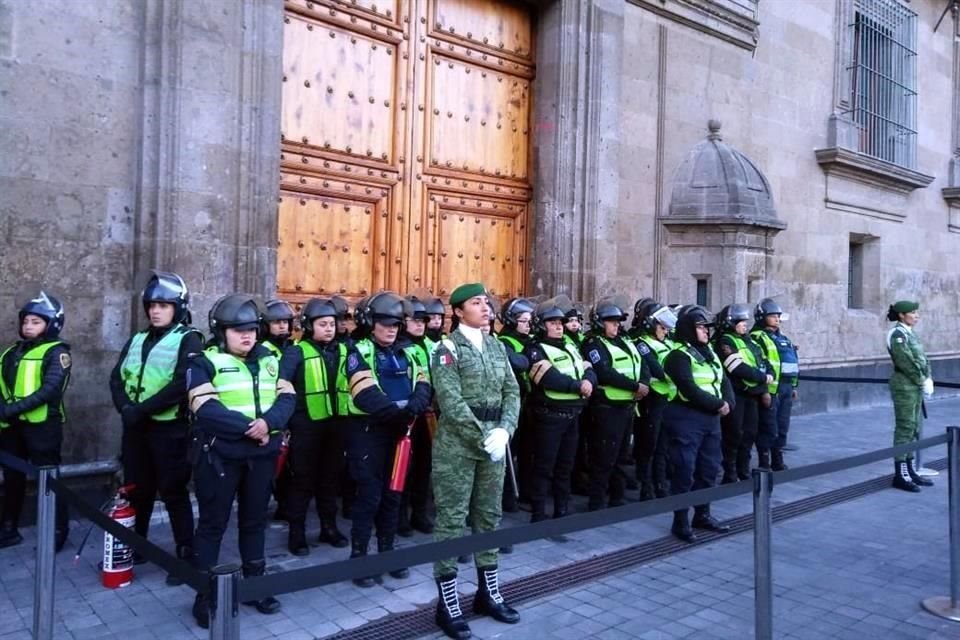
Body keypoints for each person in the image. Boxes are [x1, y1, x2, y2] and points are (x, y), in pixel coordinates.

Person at [187, 295, 295, 627]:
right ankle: (204, 596)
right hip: (221, 458)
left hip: (260, 458)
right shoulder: (202, 361)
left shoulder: (270, 359)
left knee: (254, 522)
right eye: (238, 330)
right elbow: (204, 407)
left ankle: (255, 586)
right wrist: (252, 429)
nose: (247, 336)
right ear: (222, 332)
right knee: (212, 526)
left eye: (251, 330)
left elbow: (288, 397)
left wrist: (269, 424)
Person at [431, 283, 521, 639]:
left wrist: (506, 431)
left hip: (495, 444)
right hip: (458, 446)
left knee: (488, 517)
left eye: (487, 302)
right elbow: (451, 403)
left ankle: (489, 593)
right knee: (452, 521)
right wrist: (485, 438)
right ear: (457, 311)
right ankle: (448, 603)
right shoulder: (446, 349)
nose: (486, 308)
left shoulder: (497, 346)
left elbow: (512, 391)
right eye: (476, 303)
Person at [109, 271, 202, 582]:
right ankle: (138, 544)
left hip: (169, 429)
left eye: (163, 305)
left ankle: (186, 553)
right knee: (138, 490)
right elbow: (116, 377)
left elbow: (180, 384)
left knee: (173, 492)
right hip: (136, 429)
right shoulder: (137, 338)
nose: (155, 310)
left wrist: (143, 410)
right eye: (151, 305)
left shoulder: (188, 338)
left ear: (178, 307)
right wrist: (125, 408)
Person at [343, 293, 433, 586]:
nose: (391, 329)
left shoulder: (409, 351)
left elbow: (423, 382)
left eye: (395, 323)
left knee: (393, 495)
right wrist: (401, 415)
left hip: (400, 432)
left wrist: (415, 407)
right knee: (369, 496)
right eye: (384, 323)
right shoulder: (358, 351)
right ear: (370, 323)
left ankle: (387, 551)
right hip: (369, 432)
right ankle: (359, 559)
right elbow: (364, 392)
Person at [0, 292, 71, 551]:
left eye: (36, 322)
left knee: (49, 480)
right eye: (26, 321)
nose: (28, 326)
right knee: (12, 478)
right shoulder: (10, 352)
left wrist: (12, 409)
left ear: (51, 324)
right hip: (11, 428)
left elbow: (50, 389)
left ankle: (57, 530)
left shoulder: (57, 352)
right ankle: (8, 527)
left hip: (42, 427)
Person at [278, 298, 349, 555]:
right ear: (309, 325)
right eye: (323, 324)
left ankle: (328, 527)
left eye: (332, 324)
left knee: (330, 481)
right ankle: (296, 533)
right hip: (305, 428)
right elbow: (283, 386)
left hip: (335, 428)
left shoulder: (343, 351)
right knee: (302, 482)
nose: (329, 329)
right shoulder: (296, 352)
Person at [663, 305, 734, 542]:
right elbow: (688, 388)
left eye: (706, 327)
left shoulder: (710, 353)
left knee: (709, 469)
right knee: (684, 470)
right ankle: (680, 521)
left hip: (710, 420)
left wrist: (728, 403)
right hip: (685, 418)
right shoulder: (677, 355)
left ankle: (702, 514)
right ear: (688, 329)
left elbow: (724, 380)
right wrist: (718, 404)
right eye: (701, 327)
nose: (705, 331)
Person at [524, 297, 596, 529]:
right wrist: (578, 386)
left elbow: (588, 367)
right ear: (541, 325)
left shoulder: (570, 345)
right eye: (552, 322)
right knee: (544, 466)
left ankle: (561, 510)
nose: (558, 326)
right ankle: (538, 513)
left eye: (560, 322)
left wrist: (588, 381)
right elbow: (547, 377)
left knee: (565, 466)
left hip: (572, 415)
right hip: (549, 417)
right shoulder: (535, 349)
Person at [581, 299, 649, 510]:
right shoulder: (593, 343)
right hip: (607, 409)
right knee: (604, 458)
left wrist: (643, 384)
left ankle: (617, 498)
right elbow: (604, 371)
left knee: (622, 456)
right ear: (600, 323)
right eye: (611, 322)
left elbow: (642, 364)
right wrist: (635, 386)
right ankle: (597, 502)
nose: (616, 325)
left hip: (627, 407)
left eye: (618, 321)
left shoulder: (625, 341)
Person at [713, 304, 773, 481]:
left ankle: (743, 469)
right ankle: (730, 471)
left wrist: (767, 375)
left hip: (752, 395)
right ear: (731, 323)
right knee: (734, 433)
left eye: (746, 321)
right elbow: (736, 367)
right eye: (741, 322)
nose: (745, 324)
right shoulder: (725, 341)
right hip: (736, 394)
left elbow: (765, 362)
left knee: (750, 433)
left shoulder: (750, 342)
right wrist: (763, 378)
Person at [396, 295, 438, 536]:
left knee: (424, 466)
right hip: (407, 415)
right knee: (404, 467)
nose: (420, 324)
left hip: (428, 415)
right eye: (415, 320)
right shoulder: (399, 347)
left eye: (423, 320)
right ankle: (400, 516)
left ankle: (419, 513)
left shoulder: (433, 346)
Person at [886, 300, 934, 492]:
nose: (916, 315)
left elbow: (922, 358)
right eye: (912, 312)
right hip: (905, 386)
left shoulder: (908, 333)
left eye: (916, 312)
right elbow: (905, 360)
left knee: (913, 427)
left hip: (914, 385)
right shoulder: (898, 335)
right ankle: (901, 474)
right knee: (905, 428)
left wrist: (927, 376)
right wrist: (922, 380)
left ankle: (910, 470)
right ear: (901, 315)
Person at [632, 301, 678, 500]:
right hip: (653, 400)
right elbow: (658, 370)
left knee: (662, 445)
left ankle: (660, 483)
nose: (665, 331)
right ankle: (646, 485)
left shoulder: (668, 342)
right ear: (651, 324)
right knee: (648, 444)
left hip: (669, 400)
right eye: (662, 327)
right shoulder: (642, 344)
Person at [750, 299, 799, 471]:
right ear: (762, 317)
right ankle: (764, 462)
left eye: (778, 316)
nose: (777, 319)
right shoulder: (757, 337)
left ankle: (777, 459)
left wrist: (794, 386)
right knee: (768, 427)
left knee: (782, 425)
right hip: (771, 390)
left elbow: (792, 362)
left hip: (785, 388)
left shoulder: (783, 338)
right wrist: (764, 391)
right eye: (772, 316)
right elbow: (759, 364)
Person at [496, 298, 534, 514]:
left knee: (529, 452)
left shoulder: (530, 340)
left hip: (530, 405)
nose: (528, 325)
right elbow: (519, 363)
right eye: (523, 321)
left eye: (530, 321)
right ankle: (507, 497)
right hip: (512, 405)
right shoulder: (505, 342)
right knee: (510, 452)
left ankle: (526, 492)